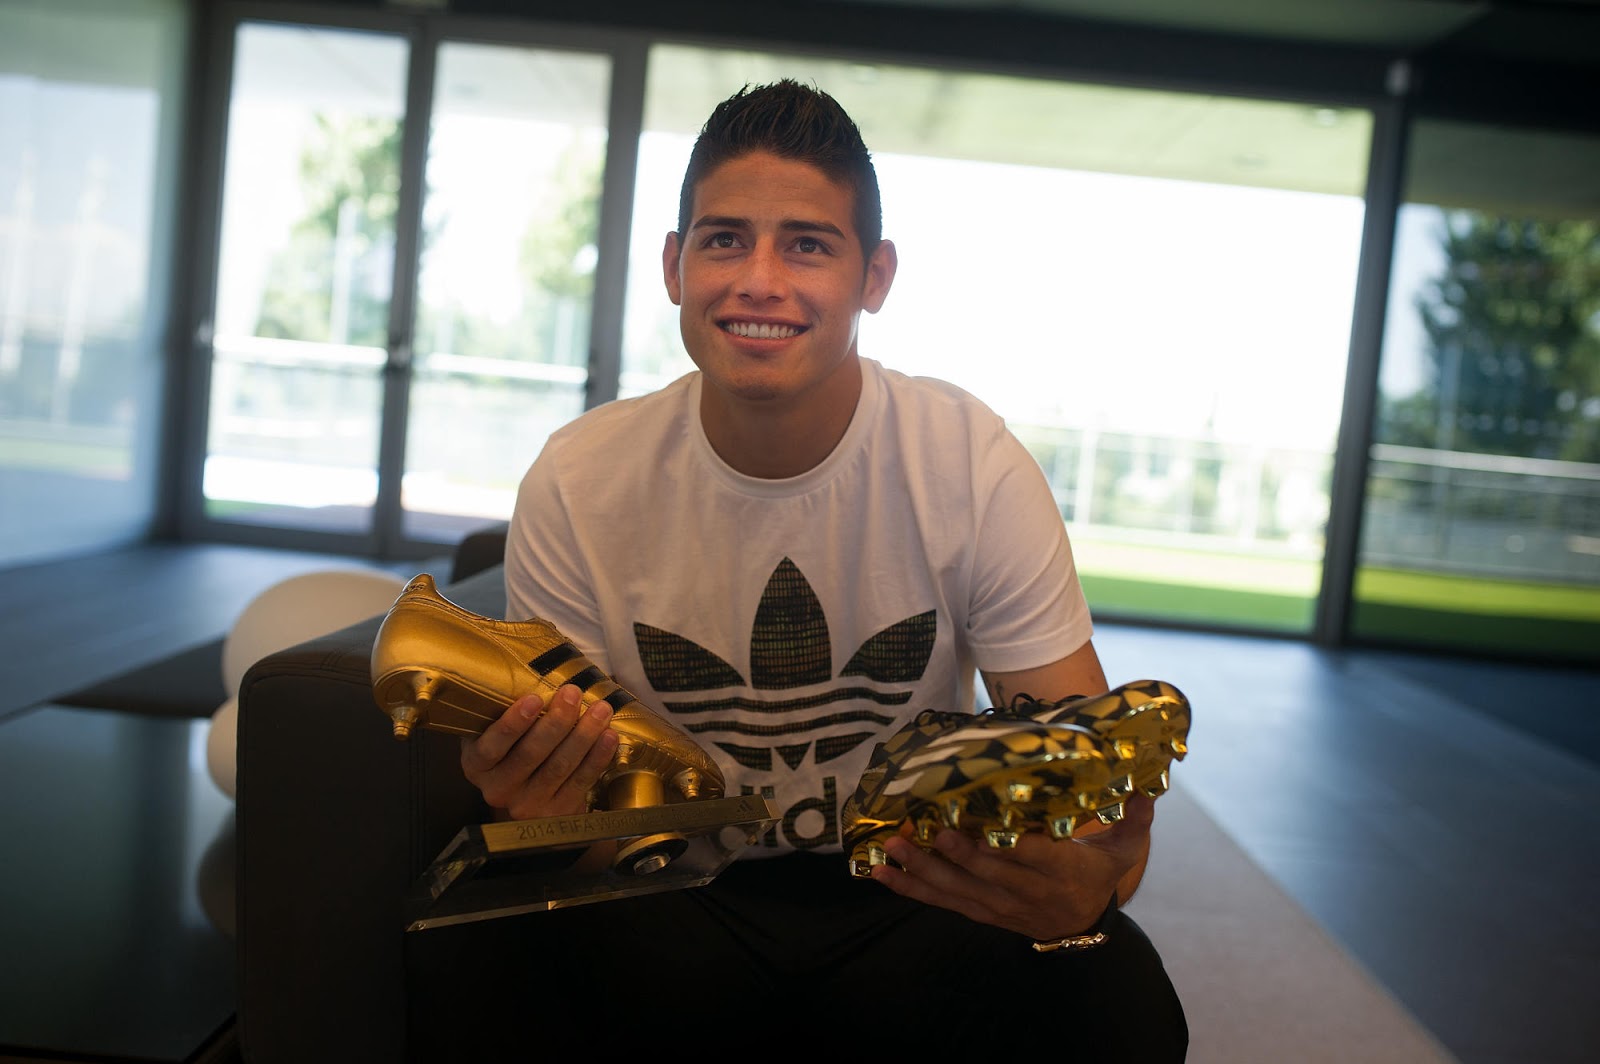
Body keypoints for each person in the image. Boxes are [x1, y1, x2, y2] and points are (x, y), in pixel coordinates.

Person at [417, 79, 1187, 1058]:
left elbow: (1090, 811)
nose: (759, 280)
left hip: (911, 883)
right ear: (674, 265)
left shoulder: (970, 461)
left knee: (1119, 994)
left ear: (875, 276)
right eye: (724, 239)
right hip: (676, 888)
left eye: (808, 245)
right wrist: (540, 808)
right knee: (466, 960)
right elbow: (595, 837)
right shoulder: (579, 479)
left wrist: (1087, 884)